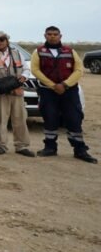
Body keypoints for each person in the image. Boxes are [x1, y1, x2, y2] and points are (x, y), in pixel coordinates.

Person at [31, 26, 96, 163]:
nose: (52, 36)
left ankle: (80, 149)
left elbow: (79, 70)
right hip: (48, 91)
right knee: (50, 117)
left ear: (61, 36)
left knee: (74, 118)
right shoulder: (38, 52)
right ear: (45, 36)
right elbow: (35, 70)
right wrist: (53, 85)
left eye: (55, 34)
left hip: (69, 91)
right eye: (50, 34)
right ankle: (50, 147)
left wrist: (65, 85)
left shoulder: (70, 51)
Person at [0, 31, 34, 157]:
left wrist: (24, 78)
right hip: (1, 93)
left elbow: (26, 69)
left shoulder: (17, 53)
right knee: (0, 119)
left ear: (7, 40)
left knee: (20, 119)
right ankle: (0, 145)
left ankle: (21, 146)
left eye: (2, 39)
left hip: (17, 92)